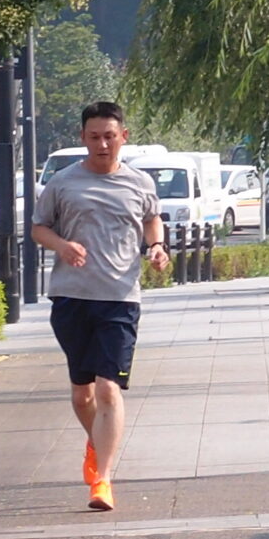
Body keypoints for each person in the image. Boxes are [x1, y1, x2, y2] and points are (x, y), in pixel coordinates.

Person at [29, 100, 167, 511]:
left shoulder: (140, 183)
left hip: (120, 299)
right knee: (81, 396)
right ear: (82, 138)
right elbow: (39, 227)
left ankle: (103, 481)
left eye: (110, 136)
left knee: (109, 388)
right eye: (94, 137)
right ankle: (97, 446)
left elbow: (151, 219)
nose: (102, 144)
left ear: (124, 136)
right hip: (71, 297)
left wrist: (156, 246)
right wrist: (62, 245)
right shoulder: (63, 183)